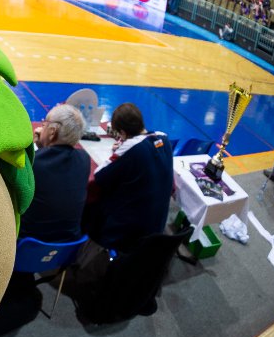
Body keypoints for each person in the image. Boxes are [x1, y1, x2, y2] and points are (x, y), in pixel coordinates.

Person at [84, 103, 173, 251]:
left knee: (92, 204)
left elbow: (99, 177)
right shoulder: (164, 138)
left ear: (123, 132)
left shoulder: (131, 148)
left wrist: (121, 150)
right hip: (158, 223)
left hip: (130, 231)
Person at [20, 104, 91, 243]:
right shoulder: (84, 159)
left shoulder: (34, 163)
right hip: (69, 246)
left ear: (52, 132)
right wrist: (44, 147)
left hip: (29, 242)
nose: (41, 127)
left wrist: (35, 148)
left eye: (44, 123)